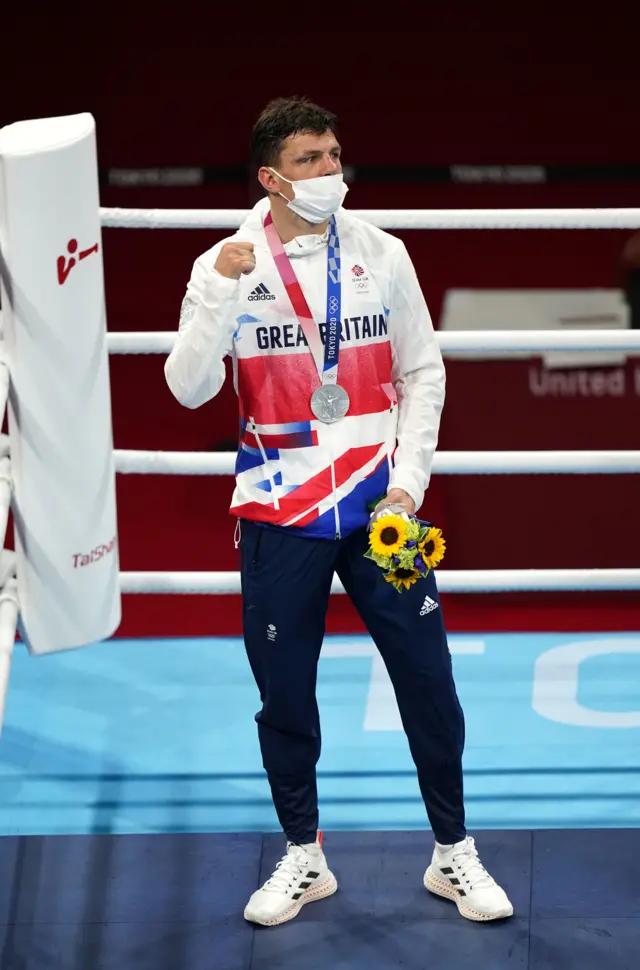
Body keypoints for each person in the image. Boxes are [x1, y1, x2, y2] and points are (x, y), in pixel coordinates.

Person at [165, 96, 513, 928]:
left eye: (335, 155)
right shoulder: (225, 263)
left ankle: (452, 852)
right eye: (314, 160)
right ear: (271, 176)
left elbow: (422, 373)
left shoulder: (381, 253)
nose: (333, 173)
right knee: (284, 691)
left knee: (429, 678)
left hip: (379, 507)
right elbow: (187, 389)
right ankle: (303, 855)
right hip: (278, 506)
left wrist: (410, 484)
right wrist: (218, 294)